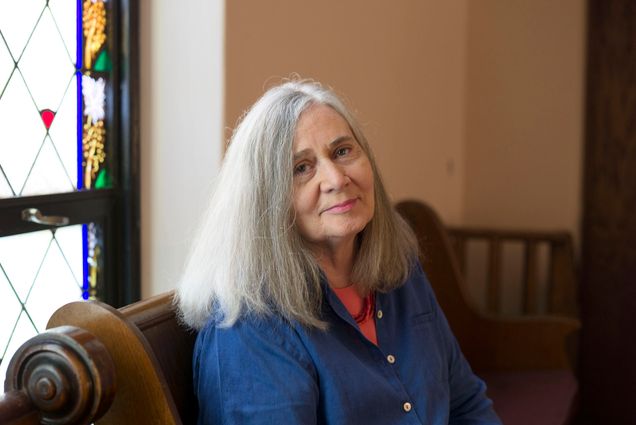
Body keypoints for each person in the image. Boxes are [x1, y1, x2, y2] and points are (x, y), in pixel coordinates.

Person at [176, 80, 501, 424]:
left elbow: (466, 404)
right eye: (302, 168)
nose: (335, 178)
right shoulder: (249, 328)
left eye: (342, 151)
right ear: (266, 203)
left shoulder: (401, 271)